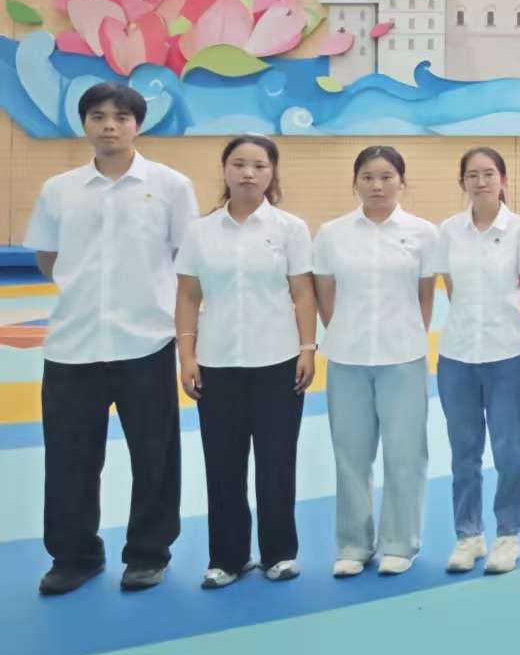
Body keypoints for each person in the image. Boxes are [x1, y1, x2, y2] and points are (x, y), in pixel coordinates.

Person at [26, 83, 199, 595]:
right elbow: (47, 257)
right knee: (69, 458)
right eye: (98, 115)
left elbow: (187, 259)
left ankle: (148, 554)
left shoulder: (170, 186)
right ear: (83, 123)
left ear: (137, 125)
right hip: (72, 343)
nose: (109, 125)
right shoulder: (59, 189)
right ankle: (74, 557)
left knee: (155, 457)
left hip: (145, 341)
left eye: (121, 117)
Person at [174, 135, 317, 588]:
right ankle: (228, 557)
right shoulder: (200, 231)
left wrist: (308, 348)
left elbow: (303, 292)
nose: (249, 173)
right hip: (217, 364)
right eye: (239, 164)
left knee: (277, 462)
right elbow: (188, 295)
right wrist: (187, 355)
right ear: (225, 169)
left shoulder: (291, 228)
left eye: (259, 165)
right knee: (223, 464)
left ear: (272, 172)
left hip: (278, 362)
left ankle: (280, 553)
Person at [312, 146, 437, 577]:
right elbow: (325, 295)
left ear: (402, 182)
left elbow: (425, 297)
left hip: (403, 357)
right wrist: (348, 330)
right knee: (350, 453)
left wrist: (404, 334)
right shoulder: (332, 234)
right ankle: (353, 544)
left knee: (405, 453)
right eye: (368, 177)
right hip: (347, 357)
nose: (377, 185)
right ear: (355, 182)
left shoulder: (423, 233)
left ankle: (401, 542)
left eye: (386, 177)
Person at [434, 148, 520, 575]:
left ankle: (508, 535)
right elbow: (450, 286)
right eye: (472, 175)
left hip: (506, 353)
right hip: (456, 355)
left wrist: (494, 315)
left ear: (503, 180)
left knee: (509, 450)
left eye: (489, 173)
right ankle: (468, 535)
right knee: (464, 450)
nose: (481, 181)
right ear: (462, 182)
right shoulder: (448, 231)